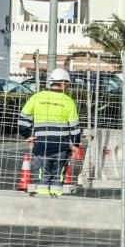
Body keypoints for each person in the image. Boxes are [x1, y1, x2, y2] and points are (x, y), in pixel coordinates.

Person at [18, 68, 79, 196]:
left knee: (42, 176)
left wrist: (28, 136)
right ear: (63, 83)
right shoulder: (68, 101)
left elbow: (23, 119)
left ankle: (42, 203)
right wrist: (75, 145)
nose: (67, 86)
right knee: (58, 178)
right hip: (61, 147)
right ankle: (56, 203)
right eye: (67, 84)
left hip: (41, 145)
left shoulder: (37, 97)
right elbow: (75, 127)